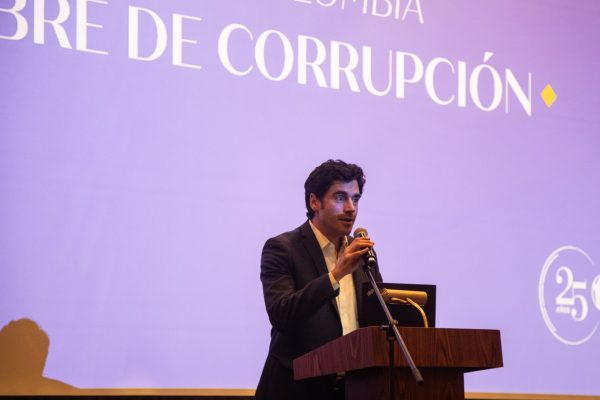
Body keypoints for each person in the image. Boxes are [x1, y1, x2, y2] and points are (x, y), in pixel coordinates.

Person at [255, 159, 383, 400]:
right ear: (314, 201)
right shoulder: (283, 249)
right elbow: (281, 314)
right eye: (340, 198)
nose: (351, 208)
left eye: (355, 199)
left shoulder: (362, 254)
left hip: (354, 389)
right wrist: (336, 275)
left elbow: (375, 317)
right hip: (296, 389)